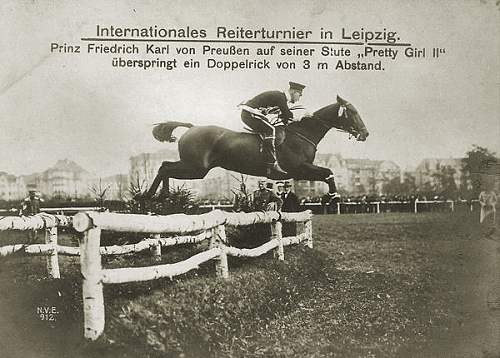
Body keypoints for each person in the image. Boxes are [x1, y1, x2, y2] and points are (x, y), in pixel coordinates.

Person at [239, 81, 308, 176]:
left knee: (270, 128)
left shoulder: (281, 98)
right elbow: (287, 115)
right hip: (250, 114)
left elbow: (283, 117)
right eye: (299, 95)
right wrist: (303, 117)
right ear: (293, 92)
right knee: (271, 130)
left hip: (252, 113)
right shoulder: (280, 97)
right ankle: (271, 163)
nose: (299, 98)